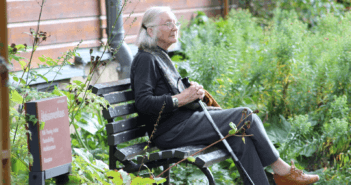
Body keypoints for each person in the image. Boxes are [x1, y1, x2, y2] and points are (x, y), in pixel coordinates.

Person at [130, 6, 320, 185]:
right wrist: (182, 98)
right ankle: (283, 171)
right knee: (245, 116)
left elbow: (168, 93)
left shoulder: (159, 55)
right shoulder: (145, 59)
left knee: (240, 138)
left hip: (183, 123)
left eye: (175, 23)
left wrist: (192, 93)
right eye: (167, 24)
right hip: (170, 132)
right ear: (150, 31)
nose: (174, 28)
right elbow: (144, 103)